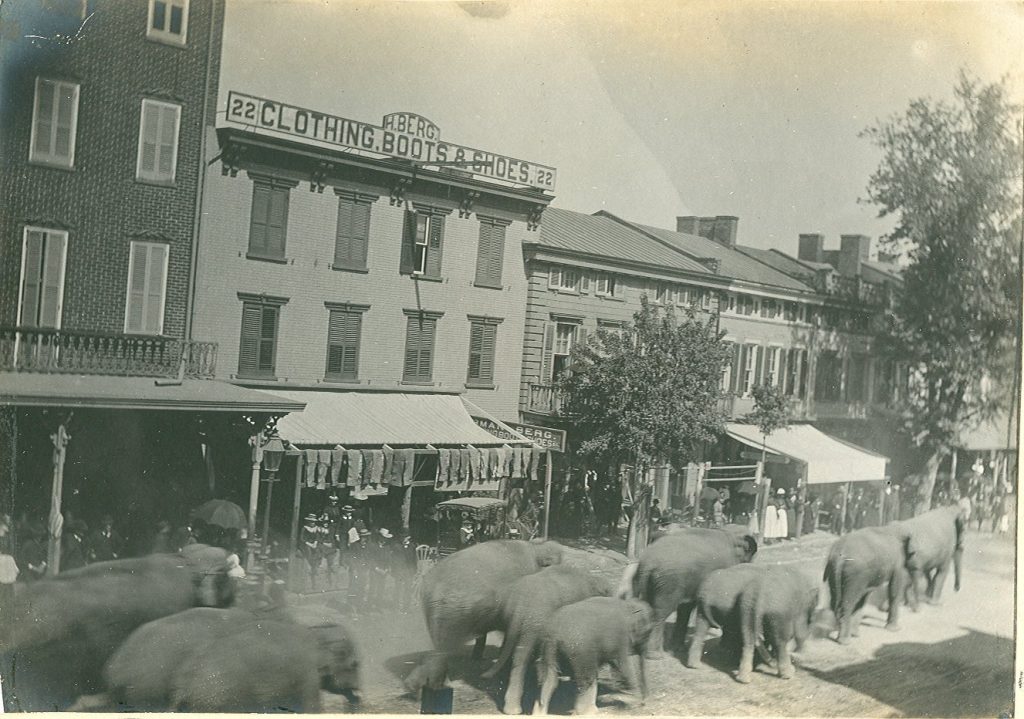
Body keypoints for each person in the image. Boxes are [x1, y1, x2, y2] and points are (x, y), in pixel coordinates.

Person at [0, 514, 18, 608]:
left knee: (8, 581)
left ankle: (9, 602)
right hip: (3, 558)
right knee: (3, 581)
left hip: (7, 558)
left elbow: (10, 547)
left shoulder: (9, 533)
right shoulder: (4, 532)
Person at [300, 512, 321, 592]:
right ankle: (312, 563)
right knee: (308, 551)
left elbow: (317, 537)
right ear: (308, 522)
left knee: (318, 551)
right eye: (311, 522)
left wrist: (315, 543)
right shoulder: (305, 528)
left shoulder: (316, 528)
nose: (312, 523)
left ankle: (315, 565)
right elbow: (302, 539)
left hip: (313, 544)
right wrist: (309, 544)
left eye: (313, 522)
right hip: (306, 543)